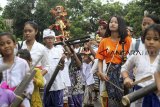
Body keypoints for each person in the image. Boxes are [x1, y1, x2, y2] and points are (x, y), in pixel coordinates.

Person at [96, 16, 131, 107]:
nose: (112, 24)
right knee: (113, 101)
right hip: (110, 74)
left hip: (125, 73)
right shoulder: (104, 41)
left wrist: (126, 57)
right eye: (111, 22)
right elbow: (100, 59)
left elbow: (134, 56)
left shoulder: (127, 40)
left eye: (115, 22)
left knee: (127, 100)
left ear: (120, 25)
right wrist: (100, 73)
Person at [121, 24, 160, 107]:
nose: (151, 42)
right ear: (143, 40)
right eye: (148, 38)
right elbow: (124, 68)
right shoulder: (137, 55)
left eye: (156, 39)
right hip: (139, 95)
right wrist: (126, 78)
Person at [0, 32, 34, 107]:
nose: (6, 46)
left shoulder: (23, 63)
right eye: (2, 44)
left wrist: (22, 96)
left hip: (21, 100)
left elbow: (29, 83)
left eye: (8, 43)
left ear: (14, 44)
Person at [42, 29, 66, 107]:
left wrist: (62, 61)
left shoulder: (59, 51)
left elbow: (62, 68)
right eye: (47, 38)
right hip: (45, 85)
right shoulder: (41, 51)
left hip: (57, 85)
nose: (50, 40)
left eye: (51, 38)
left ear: (54, 39)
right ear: (44, 40)